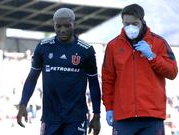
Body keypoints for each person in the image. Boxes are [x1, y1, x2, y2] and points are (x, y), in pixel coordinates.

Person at [17, 8, 101, 135]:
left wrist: (97, 114)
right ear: (53, 25)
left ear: (74, 24)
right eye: (58, 26)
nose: (62, 30)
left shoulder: (86, 50)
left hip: (76, 118)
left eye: (67, 26)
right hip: (50, 117)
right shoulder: (43, 47)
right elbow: (32, 78)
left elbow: (94, 83)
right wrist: (23, 103)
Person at [102, 3, 178, 135]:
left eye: (134, 23)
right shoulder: (113, 46)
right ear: (122, 23)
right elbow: (107, 80)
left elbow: (172, 72)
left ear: (142, 21)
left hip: (151, 116)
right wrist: (109, 107)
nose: (130, 27)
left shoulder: (159, 43)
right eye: (126, 24)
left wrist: (152, 56)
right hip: (123, 117)